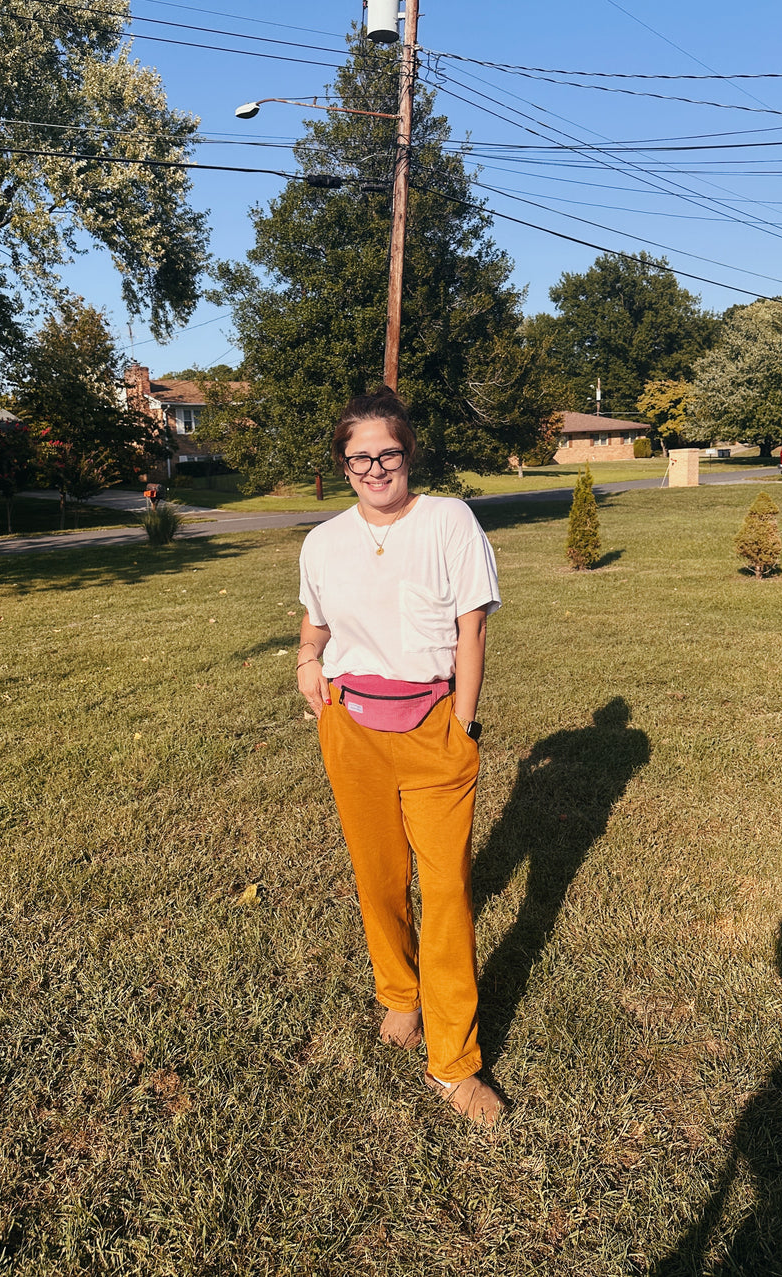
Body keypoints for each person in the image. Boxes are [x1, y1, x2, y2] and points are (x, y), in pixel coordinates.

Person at [297, 386, 503, 1124]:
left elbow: (472, 631)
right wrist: (305, 661)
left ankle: (454, 1063)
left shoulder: (448, 521)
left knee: (445, 893)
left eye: (388, 452)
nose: (375, 468)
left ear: (408, 453)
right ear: (343, 465)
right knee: (378, 878)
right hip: (349, 731)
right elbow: (316, 624)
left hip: (433, 731)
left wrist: (463, 725)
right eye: (360, 457)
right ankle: (400, 993)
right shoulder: (322, 542)